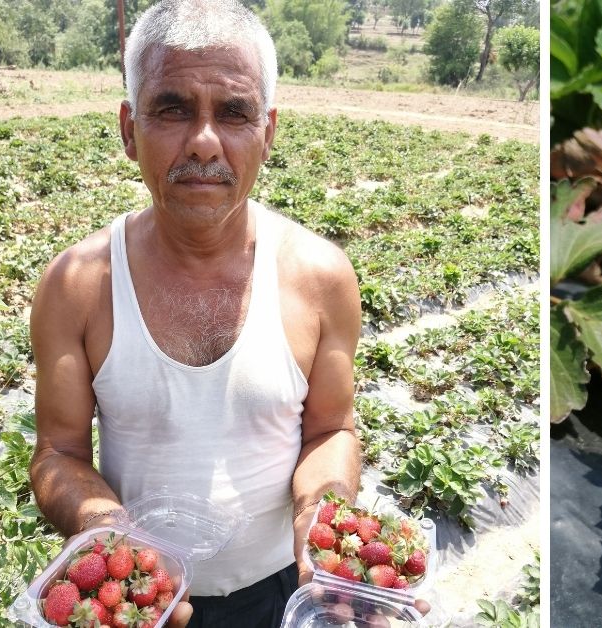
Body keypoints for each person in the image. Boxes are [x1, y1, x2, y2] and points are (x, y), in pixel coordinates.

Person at [28, 1, 362, 625]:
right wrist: (108, 533)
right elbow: (58, 453)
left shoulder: (320, 278)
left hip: (280, 587)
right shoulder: (78, 285)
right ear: (130, 129)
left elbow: (331, 431)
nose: (204, 140)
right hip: (140, 599)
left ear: (267, 132)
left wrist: (326, 521)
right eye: (173, 108)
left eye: (234, 112)